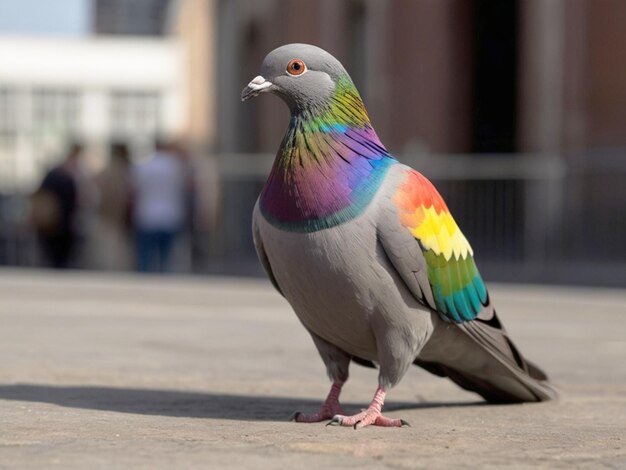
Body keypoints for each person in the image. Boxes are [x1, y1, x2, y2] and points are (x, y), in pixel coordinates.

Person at [132, 139, 189, 272]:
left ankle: (145, 284)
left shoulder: (144, 166)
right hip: (169, 215)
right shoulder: (175, 166)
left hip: (147, 215)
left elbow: (134, 191)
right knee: (166, 257)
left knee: (145, 257)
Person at [31, 143, 83, 268]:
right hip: (59, 225)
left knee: (53, 258)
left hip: (53, 225)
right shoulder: (67, 177)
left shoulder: (54, 175)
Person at [90, 142, 133, 270]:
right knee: (111, 249)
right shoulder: (120, 171)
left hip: (111, 215)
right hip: (111, 214)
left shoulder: (117, 170)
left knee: (110, 248)